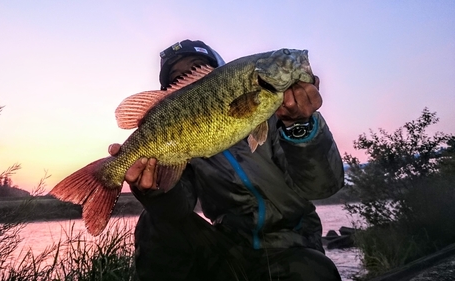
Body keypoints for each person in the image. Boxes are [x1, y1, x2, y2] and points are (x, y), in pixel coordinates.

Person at [109, 39, 344, 280]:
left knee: (314, 272)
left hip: (293, 247)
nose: (189, 76)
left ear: (218, 71)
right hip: (227, 248)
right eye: (177, 78)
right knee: (155, 222)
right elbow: (177, 208)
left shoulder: (280, 117)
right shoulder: (185, 150)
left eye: (196, 67)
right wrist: (154, 191)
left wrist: (299, 126)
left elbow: (324, 187)